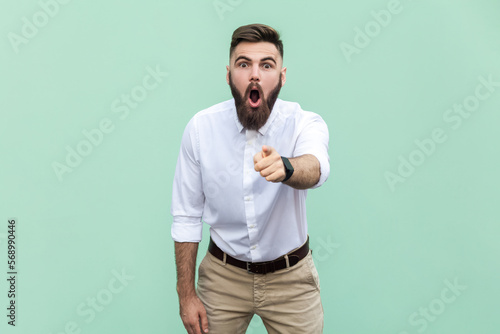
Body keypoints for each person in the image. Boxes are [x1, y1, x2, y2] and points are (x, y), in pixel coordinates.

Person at [171, 23, 330, 334]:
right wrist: (186, 294)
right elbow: (186, 215)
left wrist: (287, 167)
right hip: (222, 276)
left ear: (282, 76)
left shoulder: (304, 123)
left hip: (292, 279)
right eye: (244, 64)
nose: (255, 74)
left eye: (266, 65)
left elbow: (316, 167)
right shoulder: (201, 129)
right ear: (230, 74)